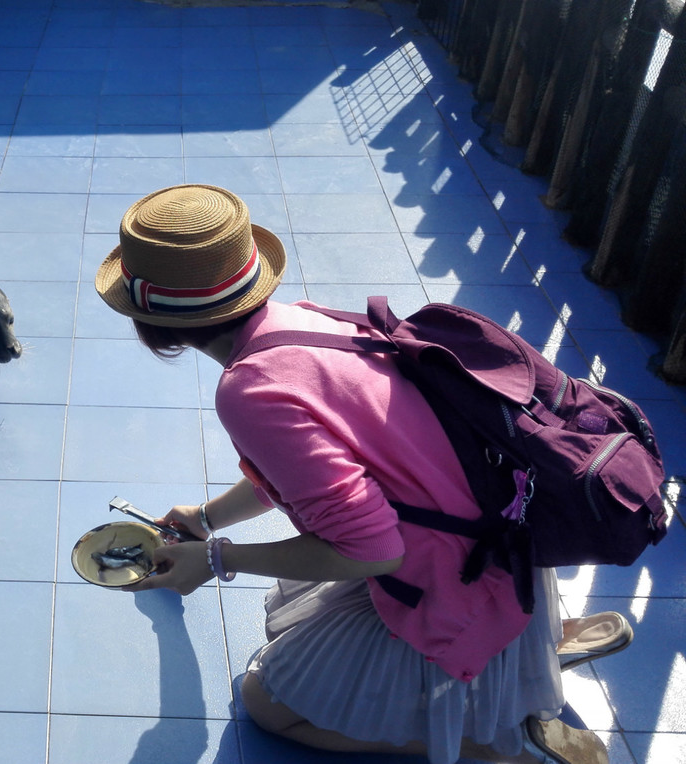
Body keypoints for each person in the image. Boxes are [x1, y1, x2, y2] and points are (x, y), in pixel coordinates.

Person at [93, 184, 631, 764]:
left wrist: (219, 559)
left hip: (455, 583)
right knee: (301, 616)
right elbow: (313, 474)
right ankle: (537, 653)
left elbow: (373, 552)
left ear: (156, 328)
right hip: (506, 546)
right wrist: (207, 517)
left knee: (267, 704)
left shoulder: (250, 392)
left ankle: (496, 741)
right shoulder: (304, 322)